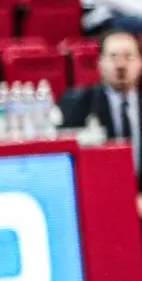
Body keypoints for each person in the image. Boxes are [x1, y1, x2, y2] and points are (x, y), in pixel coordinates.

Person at [59, 29, 140, 190]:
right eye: (113, 57)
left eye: (128, 56)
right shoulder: (78, 104)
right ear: (100, 63)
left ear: (140, 62)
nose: (121, 65)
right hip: (100, 190)